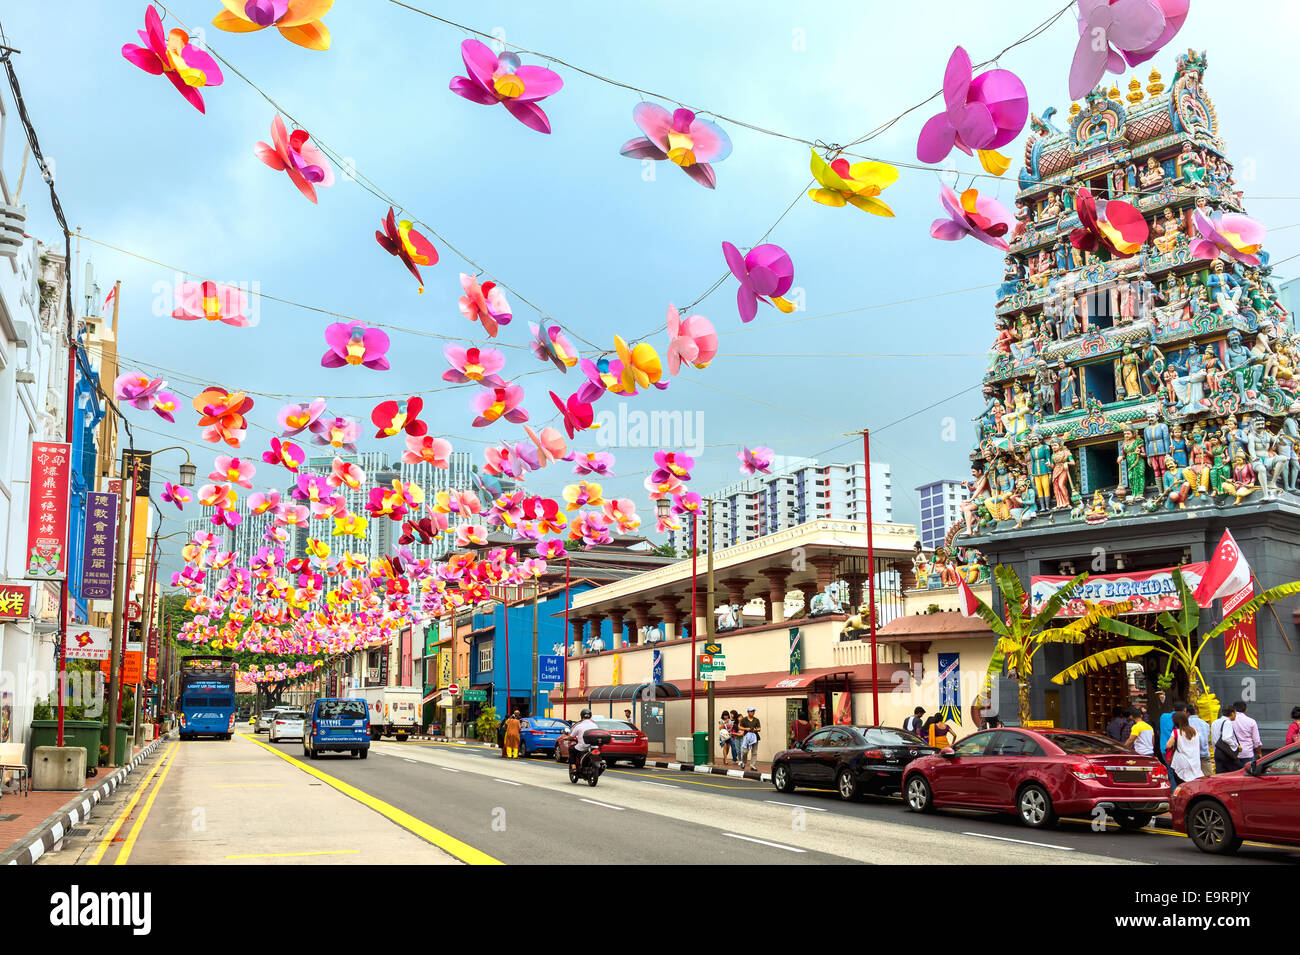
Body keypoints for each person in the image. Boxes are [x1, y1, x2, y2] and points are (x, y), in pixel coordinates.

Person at [1166, 711, 1204, 789]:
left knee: (1182, 786)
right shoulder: (1195, 731)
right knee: (1194, 785)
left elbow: (1168, 745)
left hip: (1181, 763)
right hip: (1195, 762)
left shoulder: (1176, 732)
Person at [1211, 704, 1242, 774]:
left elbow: (1213, 739)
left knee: (1220, 776)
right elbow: (1226, 738)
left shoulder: (1214, 722)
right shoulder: (1228, 722)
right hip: (1226, 754)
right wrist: (1236, 746)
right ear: (1232, 713)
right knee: (1237, 773)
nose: (1235, 715)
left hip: (1217, 753)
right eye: (1235, 713)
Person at [568, 708, 598, 775]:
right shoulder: (595, 725)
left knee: (571, 749)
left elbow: (572, 736)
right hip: (594, 747)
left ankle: (574, 767)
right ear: (590, 716)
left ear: (581, 716)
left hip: (582, 747)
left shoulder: (579, 725)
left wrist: (566, 738)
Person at [1188, 706, 1212, 779]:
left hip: (1191, 755)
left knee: (1193, 779)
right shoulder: (1205, 723)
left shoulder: (1186, 723)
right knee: (1208, 778)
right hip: (1204, 753)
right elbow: (1207, 738)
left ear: (1187, 712)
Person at [738, 707, 761, 771]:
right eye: (751, 711)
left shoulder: (756, 720)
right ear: (748, 712)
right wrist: (746, 729)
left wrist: (755, 729)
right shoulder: (744, 719)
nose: (752, 713)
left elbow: (759, 729)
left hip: (755, 737)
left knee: (754, 752)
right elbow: (739, 727)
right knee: (745, 751)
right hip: (747, 737)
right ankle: (743, 762)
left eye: (753, 711)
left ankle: (752, 765)